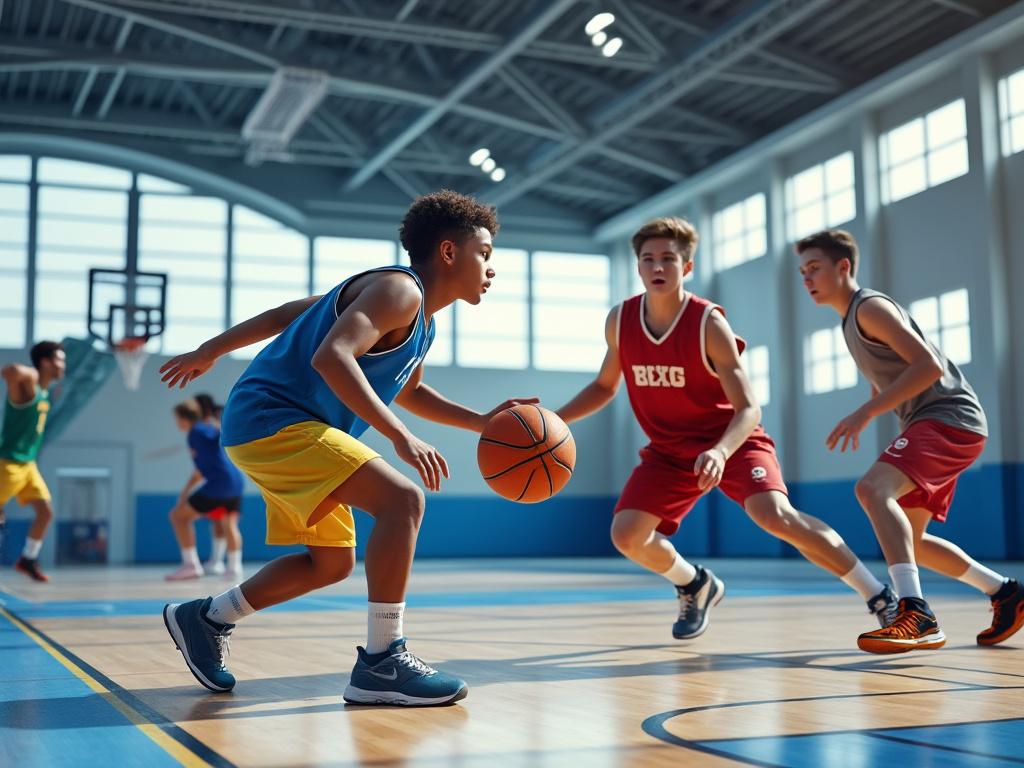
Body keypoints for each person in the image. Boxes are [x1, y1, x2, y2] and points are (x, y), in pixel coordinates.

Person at [158, 189, 534, 706]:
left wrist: (481, 422)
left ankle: (207, 617)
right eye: (485, 253)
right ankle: (384, 661)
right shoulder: (400, 291)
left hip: (281, 427)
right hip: (276, 420)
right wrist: (400, 436)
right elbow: (333, 356)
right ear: (449, 252)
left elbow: (392, 378)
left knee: (330, 563)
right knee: (403, 500)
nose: (491, 268)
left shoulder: (418, 318)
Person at [555, 217, 894, 641]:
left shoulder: (706, 323)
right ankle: (694, 584)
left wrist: (719, 451)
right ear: (638, 268)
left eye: (668, 259)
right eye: (648, 260)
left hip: (730, 440)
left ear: (688, 267)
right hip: (668, 451)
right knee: (626, 535)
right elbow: (605, 386)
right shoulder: (620, 320)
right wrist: (556, 420)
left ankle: (880, 596)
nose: (658, 267)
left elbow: (749, 408)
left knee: (775, 516)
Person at [797, 229, 1023, 653]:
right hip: (937, 423)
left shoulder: (870, 308)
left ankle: (914, 612)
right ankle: (1006, 592)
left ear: (843, 267)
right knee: (910, 542)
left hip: (948, 419)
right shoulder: (851, 321)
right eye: (802, 272)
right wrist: (874, 412)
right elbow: (891, 375)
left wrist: (865, 413)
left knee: (871, 489)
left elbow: (929, 366)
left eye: (815, 268)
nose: (807, 278)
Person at [0, 341, 66, 582]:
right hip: (8, 463)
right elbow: (11, 371)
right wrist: (30, 372)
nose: (63, 366)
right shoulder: (29, 386)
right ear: (46, 362)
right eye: (60, 360)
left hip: (28, 465)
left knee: (45, 512)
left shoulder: (45, 391)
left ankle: (27, 559)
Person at [165, 398, 245, 581]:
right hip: (235, 482)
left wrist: (219, 423)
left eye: (177, 418)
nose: (176, 423)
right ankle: (234, 568)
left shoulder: (197, 431)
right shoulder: (200, 431)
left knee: (178, 517)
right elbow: (200, 471)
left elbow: (217, 434)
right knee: (229, 524)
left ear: (184, 418)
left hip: (220, 484)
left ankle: (190, 565)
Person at [194, 392, 238, 576]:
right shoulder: (207, 427)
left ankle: (233, 564)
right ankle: (218, 561)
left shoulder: (213, 426)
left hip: (226, 482)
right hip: (222, 481)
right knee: (218, 523)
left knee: (229, 524)